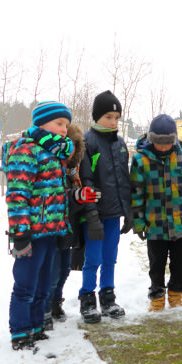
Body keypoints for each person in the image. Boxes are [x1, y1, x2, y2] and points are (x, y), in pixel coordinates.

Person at [4, 101, 74, 350]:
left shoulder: (55, 153)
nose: (64, 129)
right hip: (31, 233)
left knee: (45, 283)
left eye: (66, 124)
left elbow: (58, 195)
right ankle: (20, 331)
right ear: (41, 123)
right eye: (59, 123)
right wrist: (20, 233)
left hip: (51, 232)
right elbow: (17, 194)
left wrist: (63, 227)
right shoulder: (26, 150)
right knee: (25, 283)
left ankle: (35, 326)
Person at [131, 114, 182, 311]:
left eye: (167, 143)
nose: (163, 147)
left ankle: (176, 293)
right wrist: (138, 221)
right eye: (159, 143)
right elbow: (136, 194)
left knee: (180, 263)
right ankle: (156, 295)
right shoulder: (141, 161)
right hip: (155, 224)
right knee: (156, 263)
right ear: (151, 139)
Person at [79, 91, 131, 323]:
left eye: (117, 117)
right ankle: (87, 298)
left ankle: (107, 296)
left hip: (114, 213)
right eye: (109, 116)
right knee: (93, 258)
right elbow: (86, 179)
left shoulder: (120, 143)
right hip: (95, 213)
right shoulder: (87, 142)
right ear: (97, 116)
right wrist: (90, 212)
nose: (113, 122)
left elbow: (124, 179)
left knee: (110, 256)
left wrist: (128, 211)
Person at [45, 124, 96, 326]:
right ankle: (47, 306)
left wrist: (81, 199)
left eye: (75, 145)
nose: (71, 149)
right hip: (52, 225)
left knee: (65, 268)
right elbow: (54, 196)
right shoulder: (54, 165)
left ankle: (56, 302)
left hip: (69, 226)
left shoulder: (74, 169)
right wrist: (76, 196)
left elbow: (74, 199)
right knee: (53, 269)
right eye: (69, 145)